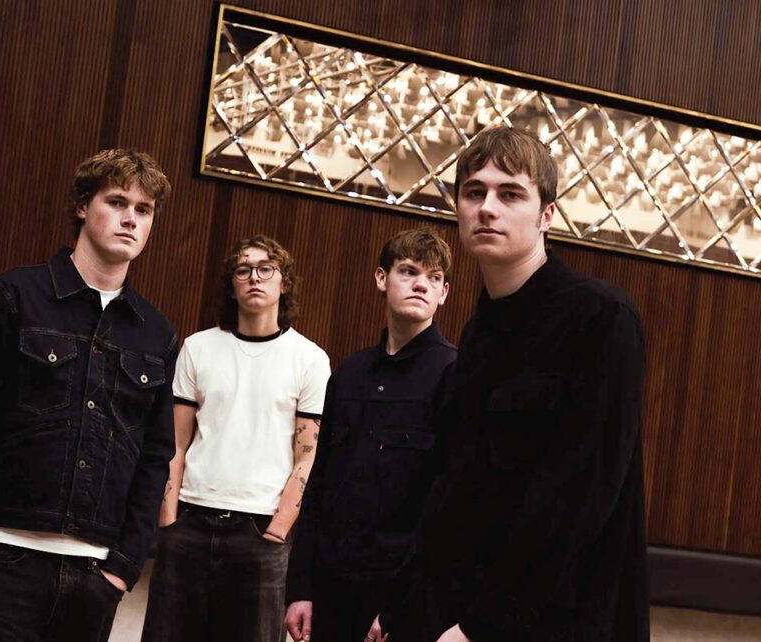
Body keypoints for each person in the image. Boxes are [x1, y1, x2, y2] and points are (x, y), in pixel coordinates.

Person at [381, 126, 649, 642]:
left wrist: (482, 626)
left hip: (553, 620)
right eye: (474, 192)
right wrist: (402, 604)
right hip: (459, 607)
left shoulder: (601, 317)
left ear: (547, 215)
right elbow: (458, 488)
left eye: (510, 194)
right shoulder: (478, 332)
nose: (487, 208)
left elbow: (580, 497)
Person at [0, 149, 177, 641]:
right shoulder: (12, 297)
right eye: (117, 202)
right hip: (0, 561)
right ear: (83, 206)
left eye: (144, 210)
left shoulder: (156, 334)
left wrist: (123, 569)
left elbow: (155, 459)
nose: (130, 219)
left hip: (94, 577)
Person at [141, 235, 331, 642]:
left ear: (284, 282)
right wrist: (169, 522)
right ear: (231, 286)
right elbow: (174, 443)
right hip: (190, 521)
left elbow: (307, 456)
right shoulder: (198, 348)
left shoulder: (310, 359)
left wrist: (277, 531)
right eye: (243, 270)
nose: (254, 277)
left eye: (266, 269)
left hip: (260, 530)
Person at [284, 228, 457, 642]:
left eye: (433, 277)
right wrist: (301, 588)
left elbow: (447, 508)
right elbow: (319, 485)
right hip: (331, 588)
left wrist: (402, 607)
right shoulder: (349, 373)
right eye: (409, 271)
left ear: (444, 293)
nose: (421, 284)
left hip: (398, 598)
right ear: (382, 278)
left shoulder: (454, 374)